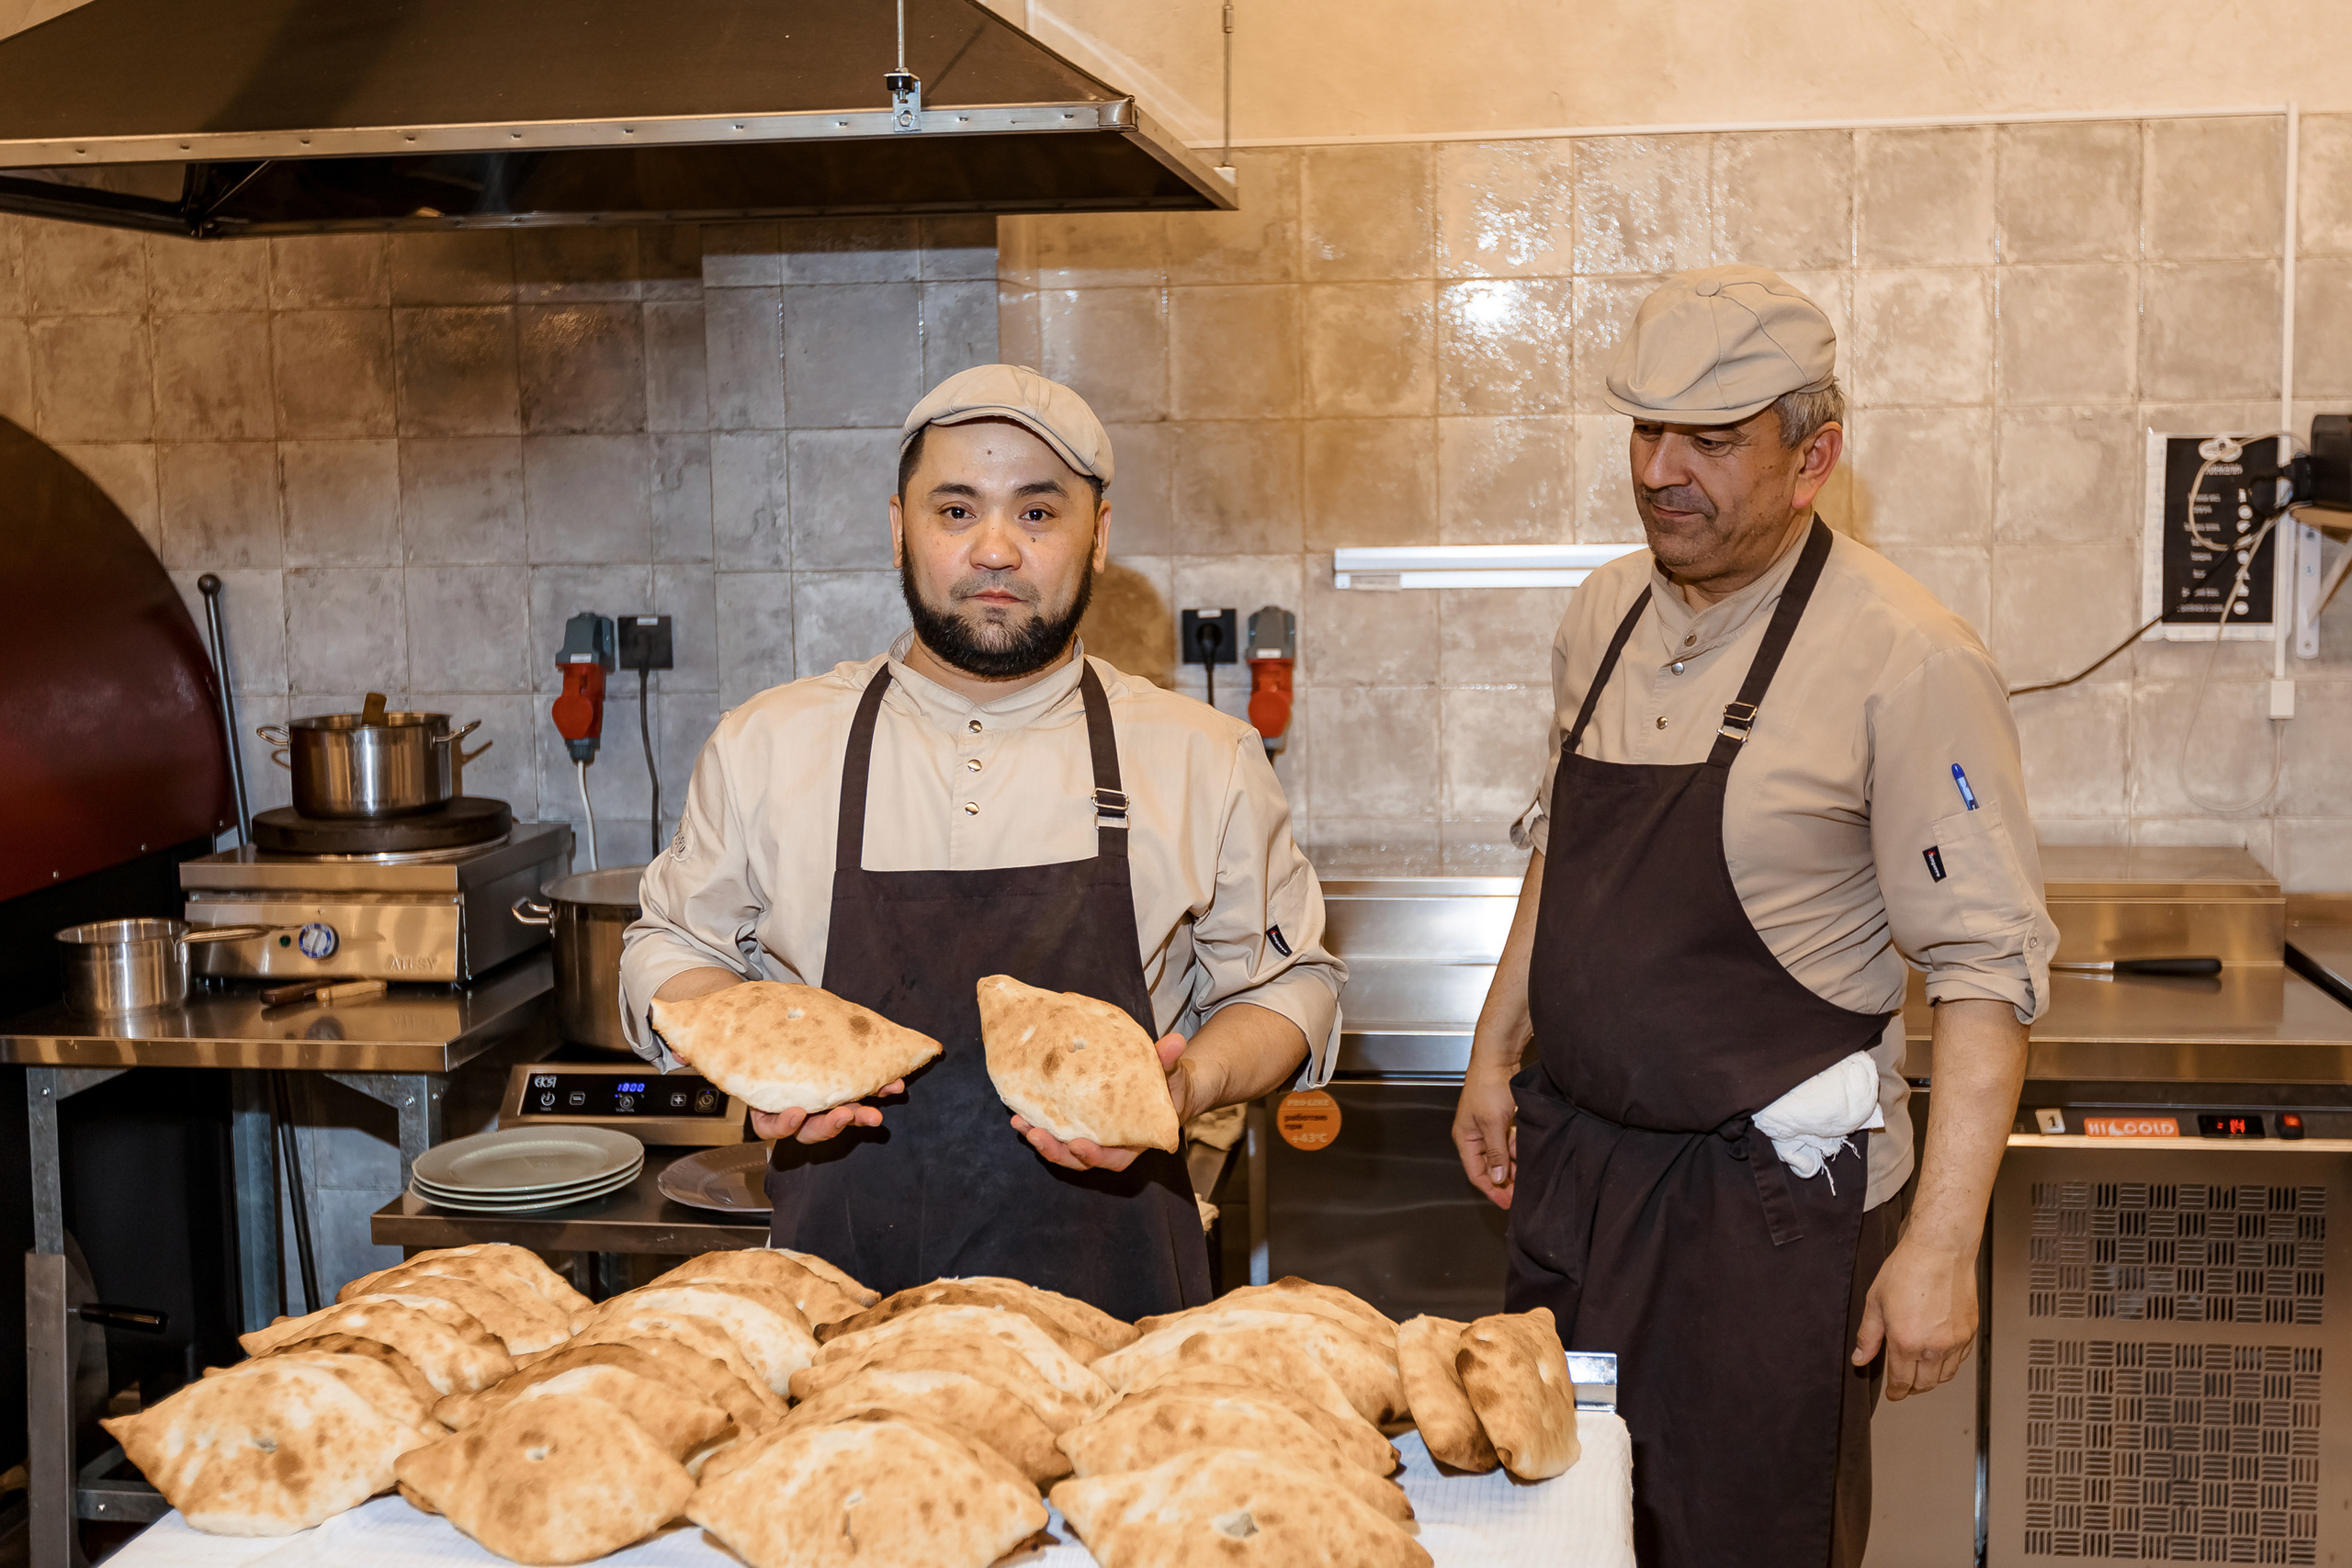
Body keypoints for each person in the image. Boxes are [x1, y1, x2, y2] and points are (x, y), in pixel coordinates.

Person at [1451, 266, 2054, 1568]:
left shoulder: (1910, 656)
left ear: (1812, 455)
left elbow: (1985, 970)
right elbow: (1560, 843)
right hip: (1583, 1183)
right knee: (1556, 1528)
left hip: (1768, 1223)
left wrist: (1942, 1245)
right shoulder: (1603, 610)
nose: (1663, 470)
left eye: (1713, 441)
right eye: (1645, 432)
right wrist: (1496, 1047)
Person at [618, 364, 1341, 1319]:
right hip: (838, 1306)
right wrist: (750, 1059)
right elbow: (670, 949)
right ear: (898, 529)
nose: (995, 550)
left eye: (1037, 515)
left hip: (1116, 1307)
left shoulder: (1201, 755)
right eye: (955, 511)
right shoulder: (769, 745)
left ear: (1099, 537)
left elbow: (1293, 988)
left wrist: (1192, 1083)